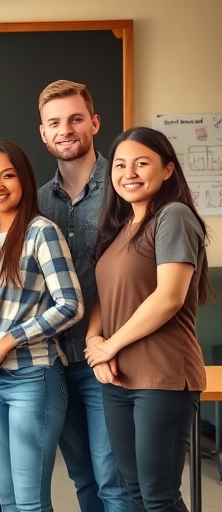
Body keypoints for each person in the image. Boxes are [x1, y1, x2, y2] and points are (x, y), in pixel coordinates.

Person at [85, 127, 210, 512]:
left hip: (163, 376)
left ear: (168, 169)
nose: (129, 173)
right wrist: (94, 343)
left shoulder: (173, 216)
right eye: (120, 165)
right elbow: (104, 298)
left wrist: (111, 344)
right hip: (119, 378)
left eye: (142, 163)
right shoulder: (121, 229)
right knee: (135, 492)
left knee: (159, 497)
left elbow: (168, 297)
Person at [0, 140, 83, 511]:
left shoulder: (40, 231)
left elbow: (70, 304)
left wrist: (8, 341)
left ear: (24, 180)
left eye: (7, 175)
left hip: (33, 380)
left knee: (29, 502)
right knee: (7, 496)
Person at [36, 79, 129, 511]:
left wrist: (108, 341)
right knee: (83, 480)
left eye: (75, 119)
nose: (65, 129)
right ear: (43, 132)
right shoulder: (34, 204)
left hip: (111, 359)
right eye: (54, 122)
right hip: (55, 362)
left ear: (94, 122)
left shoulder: (125, 189)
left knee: (115, 482)